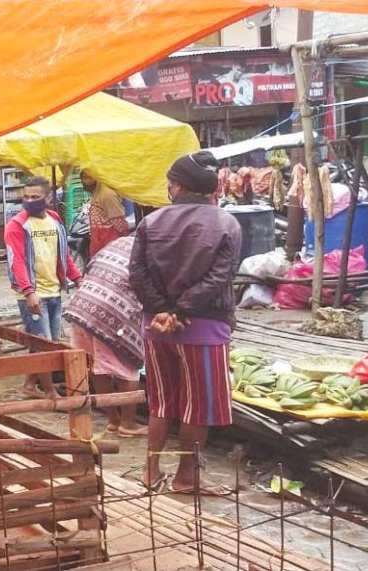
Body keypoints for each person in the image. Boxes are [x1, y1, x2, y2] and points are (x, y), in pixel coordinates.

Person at [129, 151, 242, 495]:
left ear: (178, 186)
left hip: (156, 328)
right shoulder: (227, 224)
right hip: (204, 328)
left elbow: (137, 273)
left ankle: (150, 472)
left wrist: (163, 311)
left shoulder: (151, 223)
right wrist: (180, 312)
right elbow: (220, 277)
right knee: (198, 407)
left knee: (161, 402)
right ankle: (185, 476)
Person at [5, 176, 82, 398]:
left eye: (35, 196)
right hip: (33, 294)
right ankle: (49, 392)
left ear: (48, 197)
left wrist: (78, 279)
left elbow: (63, 254)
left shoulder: (55, 220)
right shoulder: (17, 225)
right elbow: (16, 261)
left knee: (46, 342)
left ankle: (29, 385)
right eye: (26, 196)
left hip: (54, 291)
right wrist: (29, 292)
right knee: (45, 345)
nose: (29, 200)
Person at [64, 235, 147, 437]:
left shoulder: (121, 242)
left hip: (83, 305)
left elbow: (92, 265)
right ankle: (127, 424)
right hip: (110, 312)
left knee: (97, 366)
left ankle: (113, 420)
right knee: (128, 367)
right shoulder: (153, 253)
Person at [81, 170, 129, 258]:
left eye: (89, 178)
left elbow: (119, 223)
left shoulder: (107, 194)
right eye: (84, 178)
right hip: (100, 246)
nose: (86, 181)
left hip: (110, 247)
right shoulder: (96, 192)